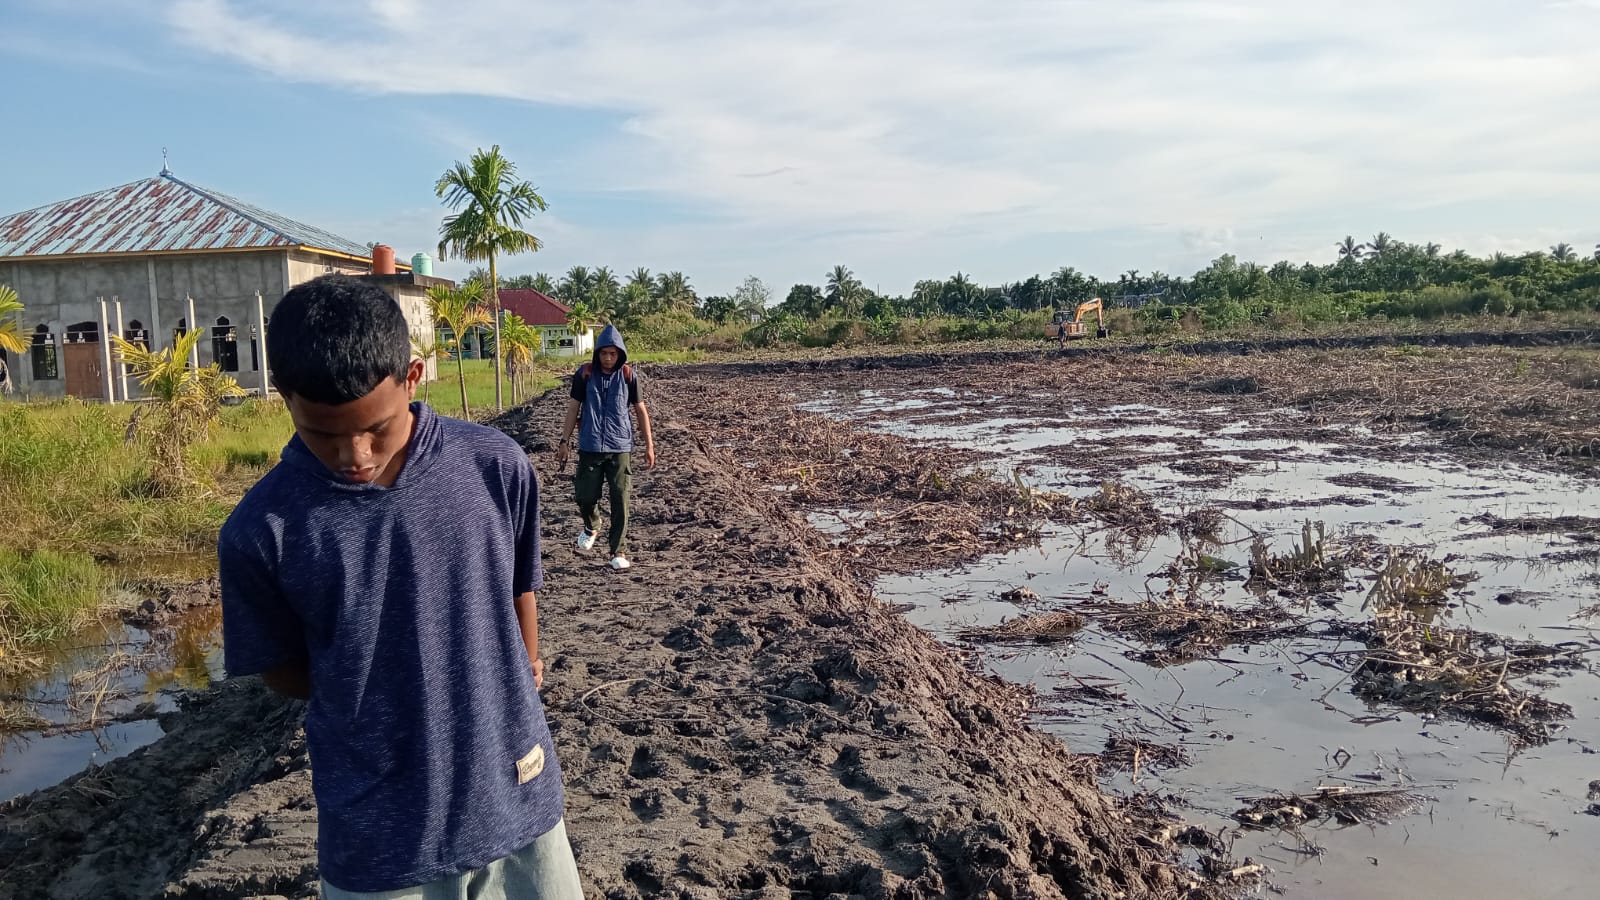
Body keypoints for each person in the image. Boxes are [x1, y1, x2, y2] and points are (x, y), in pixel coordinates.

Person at [217, 275, 582, 899]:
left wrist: (524, 662)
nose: (353, 454)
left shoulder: (495, 467)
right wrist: (378, 682)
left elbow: (522, 582)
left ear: (413, 378)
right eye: (324, 435)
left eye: (375, 429)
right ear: (283, 397)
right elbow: (280, 671)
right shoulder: (263, 530)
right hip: (380, 835)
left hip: (519, 795)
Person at [553, 325, 655, 571]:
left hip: (620, 447)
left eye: (613, 354)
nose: (608, 358)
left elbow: (640, 410)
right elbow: (573, 407)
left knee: (620, 498)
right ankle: (592, 524)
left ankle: (618, 550)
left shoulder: (629, 376)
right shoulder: (585, 374)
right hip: (590, 445)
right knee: (584, 496)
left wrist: (649, 446)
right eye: (604, 354)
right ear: (597, 354)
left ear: (620, 354)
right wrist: (564, 441)